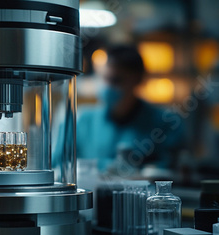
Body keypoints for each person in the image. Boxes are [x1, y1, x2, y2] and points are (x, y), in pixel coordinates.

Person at [77, 45, 184, 173]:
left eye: (116, 80)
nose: (107, 86)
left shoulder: (166, 123)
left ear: (138, 80)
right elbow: (59, 165)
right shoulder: (83, 121)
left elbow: (172, 170)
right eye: (104, 78)